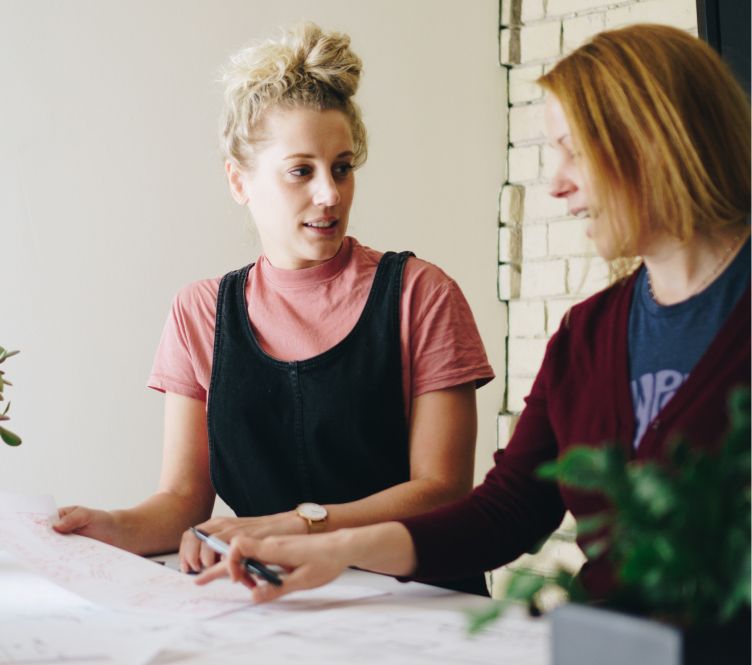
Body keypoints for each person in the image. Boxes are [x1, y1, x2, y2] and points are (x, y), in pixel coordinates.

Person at [194, 23, 751, 604]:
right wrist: (334, 549)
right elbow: (504, 515)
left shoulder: (421, 293)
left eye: (573, 151)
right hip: (613, 660)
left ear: (654, 143)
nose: (556, 185)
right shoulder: (588, 334)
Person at [53, 22, 495, 595]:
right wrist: (112, 526)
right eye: (300, 171)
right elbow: (184, 501)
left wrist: (292, 527)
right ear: (239, 181)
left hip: (425, 609)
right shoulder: (200, 313)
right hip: (275, 610)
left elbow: (442, 490)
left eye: (342, 167)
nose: (330, 195)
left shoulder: (421, 294)